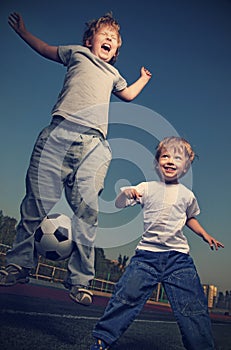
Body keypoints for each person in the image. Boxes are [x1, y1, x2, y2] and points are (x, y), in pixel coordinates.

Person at [0, 12, 152, 306]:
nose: (109, 39)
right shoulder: (76, 53)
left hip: (94, 145)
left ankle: (80, 280)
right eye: (104, 34)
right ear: (89, 40)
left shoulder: (113, 75)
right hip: (57, 134)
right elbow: (45, 49)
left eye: (115, 39)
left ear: (116, 51)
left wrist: (143, 79)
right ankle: (18, 265)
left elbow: (129, 95)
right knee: (34, 205)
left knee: (87, 213)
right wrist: (23, 32)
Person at [90, 136, 224, 349]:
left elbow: (190, 218)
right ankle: (102, 340)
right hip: (146, 258)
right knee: (125, 297)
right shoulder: (146, 187)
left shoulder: (188, 196)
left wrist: (204, 235)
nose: (170, 161)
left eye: (177, 157)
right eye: (165, 156)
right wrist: (126, 193)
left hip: (178, 260)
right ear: (157, 162)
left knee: (193, 308)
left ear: (186, 166)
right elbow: (120, 203)